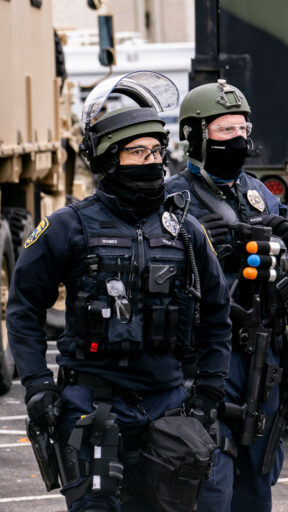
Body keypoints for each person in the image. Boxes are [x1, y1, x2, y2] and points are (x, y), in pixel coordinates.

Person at [8, 72, 232, 511]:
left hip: (168, 408)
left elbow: (216, 316)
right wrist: (36, 384)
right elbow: (23, 309)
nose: (152, 161)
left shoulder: (186, 232)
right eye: (138, 152)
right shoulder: (67, 227)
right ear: (109, 159)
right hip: (92, 404)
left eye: (156, 151)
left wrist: (208, 392)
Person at [166, 79, 288, 512]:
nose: (238, 139)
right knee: (209, 479)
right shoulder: (171, 199)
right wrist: (198, 245)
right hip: (204, 355)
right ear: (195, 136)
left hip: (264, 354)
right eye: (226, 130)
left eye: (243, 129)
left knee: (258, 480)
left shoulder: (259, 194)